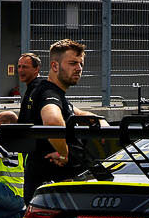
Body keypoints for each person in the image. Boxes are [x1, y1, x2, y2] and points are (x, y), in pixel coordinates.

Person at [17, 40, 100, 199]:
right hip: (53, 195)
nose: (79, 68)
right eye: (73, 63)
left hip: (50, 192)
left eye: (81, 64)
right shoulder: (49, 93)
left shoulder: (52, 92)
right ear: (55, 66)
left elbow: (75, 112)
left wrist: (100, 121)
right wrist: (64, 154)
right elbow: (53, 121)